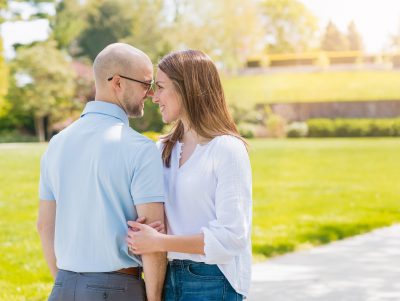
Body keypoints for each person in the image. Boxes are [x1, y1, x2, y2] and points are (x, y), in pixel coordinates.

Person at [37, 43, 166, 301]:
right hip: (118, 289)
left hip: (63, 287)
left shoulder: (57, 143)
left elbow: (44, 225)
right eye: (146, 84)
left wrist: (65, 284)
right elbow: (154, 242)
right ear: (117, 82)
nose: (150, 95)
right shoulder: (139, 148)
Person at [126, 50, 252, 300]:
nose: (154, 97)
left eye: (160, 87)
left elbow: (232, 237)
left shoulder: (226, 149)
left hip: (213, 281)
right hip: (166, 277)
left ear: (187, 89)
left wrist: (160, 242)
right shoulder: (161, 149)